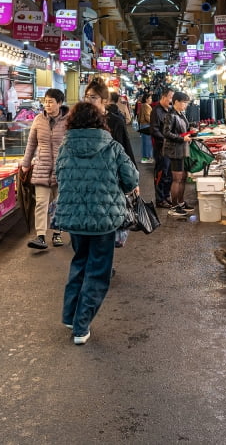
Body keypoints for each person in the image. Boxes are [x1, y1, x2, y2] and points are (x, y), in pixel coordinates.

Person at [51, 101, 138, 345]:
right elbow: (131, 179)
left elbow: (60, 177)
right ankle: (80, 326)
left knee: (79, 262)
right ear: (100, 121)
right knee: (98, 271)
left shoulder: (65, 148)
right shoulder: (112, 147)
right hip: (104, 219)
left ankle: (70, 315)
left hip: (75, 219)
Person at [21, 88, 68, 250]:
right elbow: (31, 143)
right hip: (42, 166)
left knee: (59, 202)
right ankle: (40, 236)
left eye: (50, 101)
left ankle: (57, 233)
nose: (47, 104)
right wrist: (26, 163)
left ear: (59, 103)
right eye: (45, 101)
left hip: (62, 169)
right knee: (41, 202)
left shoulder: (69, 121)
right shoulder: (38, 120)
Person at [84, 78, 135, 162]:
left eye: (93, 97)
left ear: (104, 100)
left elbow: (125, 151)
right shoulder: (80, 120)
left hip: (109, 170)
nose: (88, 100)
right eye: (86, 96)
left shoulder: (116, 122)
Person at [161, 91, 193, 216]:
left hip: (183, 149)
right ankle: (174, 206)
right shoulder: (171, 115)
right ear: (176, 102)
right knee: (177, 179)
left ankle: (181, 202)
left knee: (183, 177)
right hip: (175, 151)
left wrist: (191, 131)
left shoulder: (181, 114)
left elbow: (184, 128)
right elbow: (166, 133)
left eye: (186, 103)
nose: (185, 105)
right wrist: (181, 138)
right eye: (184, 102)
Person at [150, 88, 174, 207]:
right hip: (161, 148)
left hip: (171, 148)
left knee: (169, 174)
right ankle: (160, 200)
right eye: (170, 98)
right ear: (164, 97)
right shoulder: (156, 111)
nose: (171, 100)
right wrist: (165, 139)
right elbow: (154, 130)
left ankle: (166, 196)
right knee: (161, 173)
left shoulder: (169, 110)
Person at [134, 93, 153, 163]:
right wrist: (153, 123)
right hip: (147, 125)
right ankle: (148, 157)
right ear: (146, 99)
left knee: (144, 143)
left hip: (143, 125)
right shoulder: (147, 106)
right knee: (148, 143)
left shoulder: (142, 105)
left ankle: (144, 158)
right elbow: (148, 117)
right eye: (150, 98)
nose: (151, 100)